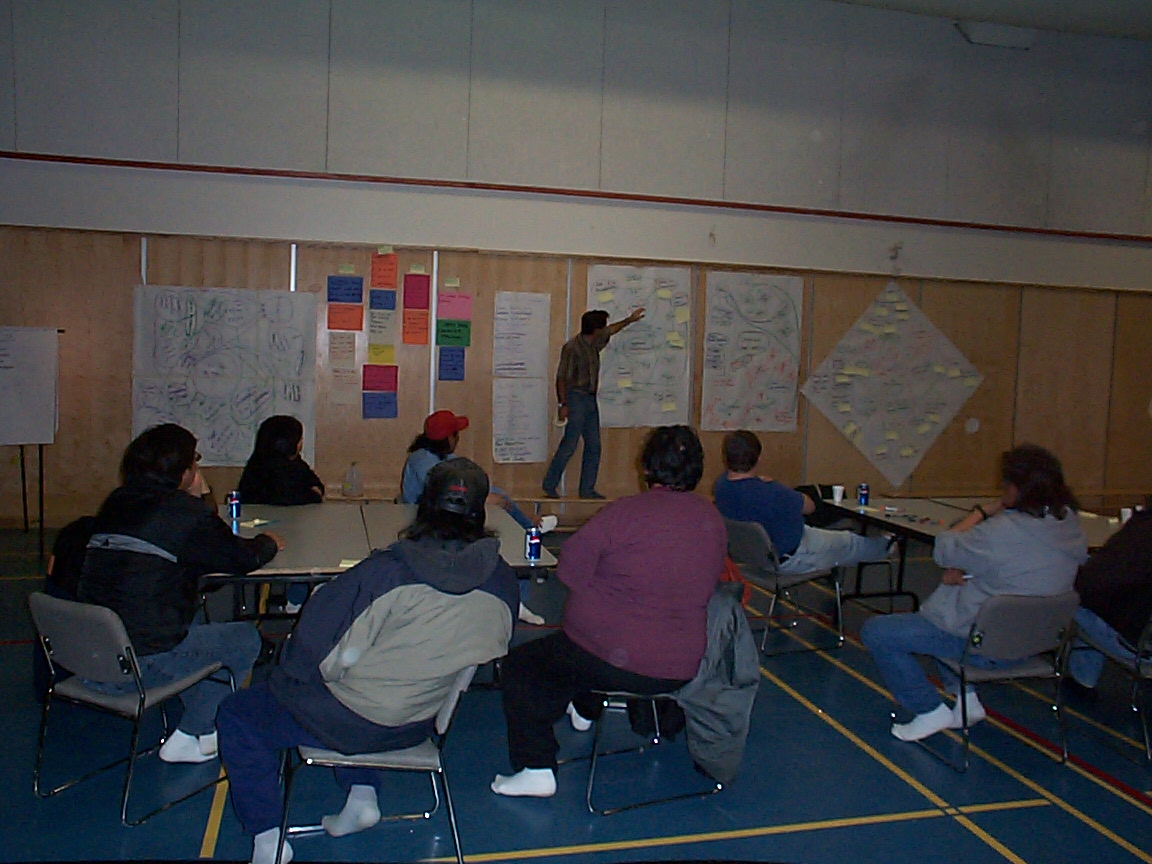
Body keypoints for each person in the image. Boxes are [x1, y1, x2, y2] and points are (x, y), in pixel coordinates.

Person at [217, 458, 518, 864]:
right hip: (419, 721)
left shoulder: (386, 572)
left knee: (240, 714)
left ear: (424, 505)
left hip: (351, 721)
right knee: (373, 678)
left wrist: (289, 672)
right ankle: (362, 796)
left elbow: (309, 653)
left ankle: (267, 840)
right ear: (480, 511)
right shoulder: (501, 579)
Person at [492, 425, 726, 797]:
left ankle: (536, 767)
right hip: (680, 665)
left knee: (525, 666)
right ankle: (585, 710)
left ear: (646, 468)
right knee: (586, 651)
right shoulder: (712, 519)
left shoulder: (624, 513)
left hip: (615, 656)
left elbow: (570, 571)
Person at [77, 423, 283, 764]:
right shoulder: (183, 511)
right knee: (245, 638)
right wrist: (268, 542)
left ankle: (202, 733)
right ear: (184, 471)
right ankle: (192, 732)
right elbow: (241, 558)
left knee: (197, 620)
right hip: (137, 667)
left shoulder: (117, 501)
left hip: (91, 657)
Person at [860, 444, 1088, 742]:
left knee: (881, 631)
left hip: (986, 646)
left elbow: (945, 549)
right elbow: (1022, 569)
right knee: (943, 614)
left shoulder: (1001, 530)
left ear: (1015, 488)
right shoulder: (1069, 524)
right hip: (1036, 641)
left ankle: (929, 709)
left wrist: (979, 513)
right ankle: (967, 702)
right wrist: (969, 574)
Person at [401, 409, 553, 625]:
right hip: (428, 520)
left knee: (501, 501)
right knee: (491, 523)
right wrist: (487, 498)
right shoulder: (421, 459)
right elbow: (444, 490)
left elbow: (479, 484)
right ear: (449, 438)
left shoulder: (449, 459)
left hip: (452, 517)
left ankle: (528, 530)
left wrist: (500, 499)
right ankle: (531, 527)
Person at [713, 430, 889, 573]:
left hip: (754, 556)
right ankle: (888, 546)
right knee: (850, 543)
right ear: (758, 458)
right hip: (793, 553)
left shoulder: (721, 486)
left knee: (837, 543)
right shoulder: (771, 492)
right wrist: (774, 485)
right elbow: (809, 507)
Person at [541, 307, 645, 499]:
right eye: (602, 327)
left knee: (594, 446)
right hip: (575, 398)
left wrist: (630, 320)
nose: (605, 329)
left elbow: (612, 330)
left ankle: (586, 489)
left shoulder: (595, 342)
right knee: (570, 444)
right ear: (596, 330)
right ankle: (549, 484)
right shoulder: (572, 348)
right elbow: (561, 377)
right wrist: (563, 404)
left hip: (590, 399)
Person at [238, 415, 323, 612]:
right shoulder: (270, 467)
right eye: (299, 439)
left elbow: (317, 486)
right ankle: (296, 598)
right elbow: (299, 496)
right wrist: (310, 493)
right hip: (266, 532)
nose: (301, 444)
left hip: (287, 530)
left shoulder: (292, 463)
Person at [1067, 509, 1152, 689]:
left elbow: (1094, 583)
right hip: (1142, 635)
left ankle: (1082, 682)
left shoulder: (1142, 531)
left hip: (1136, 645)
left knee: (1072, 600)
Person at [238, 415, 324, 506]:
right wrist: (313, 495)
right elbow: (283, 497)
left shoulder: (296, 463)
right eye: (299, 439)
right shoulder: (262, 466)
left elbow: (316, 484)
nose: (301, 444)